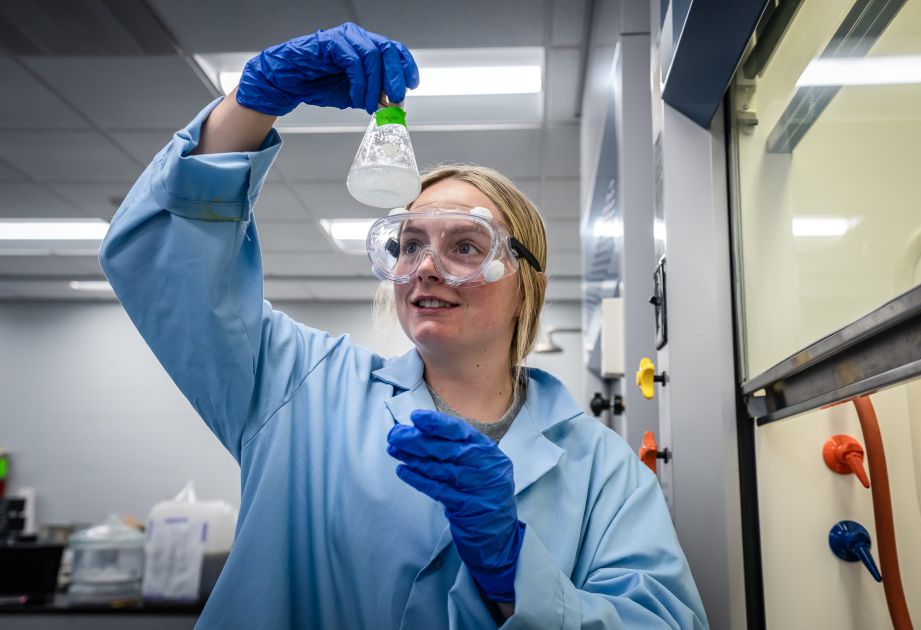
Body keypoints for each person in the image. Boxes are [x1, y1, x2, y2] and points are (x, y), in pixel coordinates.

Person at [100, 22, 708, 629]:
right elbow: (165, 272)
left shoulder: (602, 469)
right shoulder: (298, 389)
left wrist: (515, 573)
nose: (425, 269)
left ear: (526, 285)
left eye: (467, 247)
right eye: (409, 244)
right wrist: (250, 104)